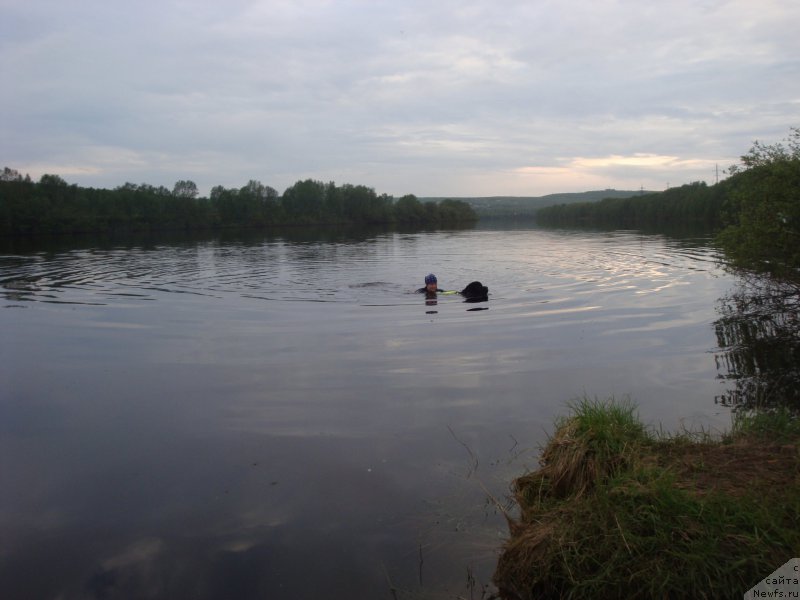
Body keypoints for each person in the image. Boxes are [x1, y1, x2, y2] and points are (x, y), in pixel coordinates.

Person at [416, 274, 488, 301]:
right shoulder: (421, 292)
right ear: (426, 284)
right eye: (431, 284)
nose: (433, 286)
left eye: (434, 283)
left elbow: (448, 293)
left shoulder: (440, 291)